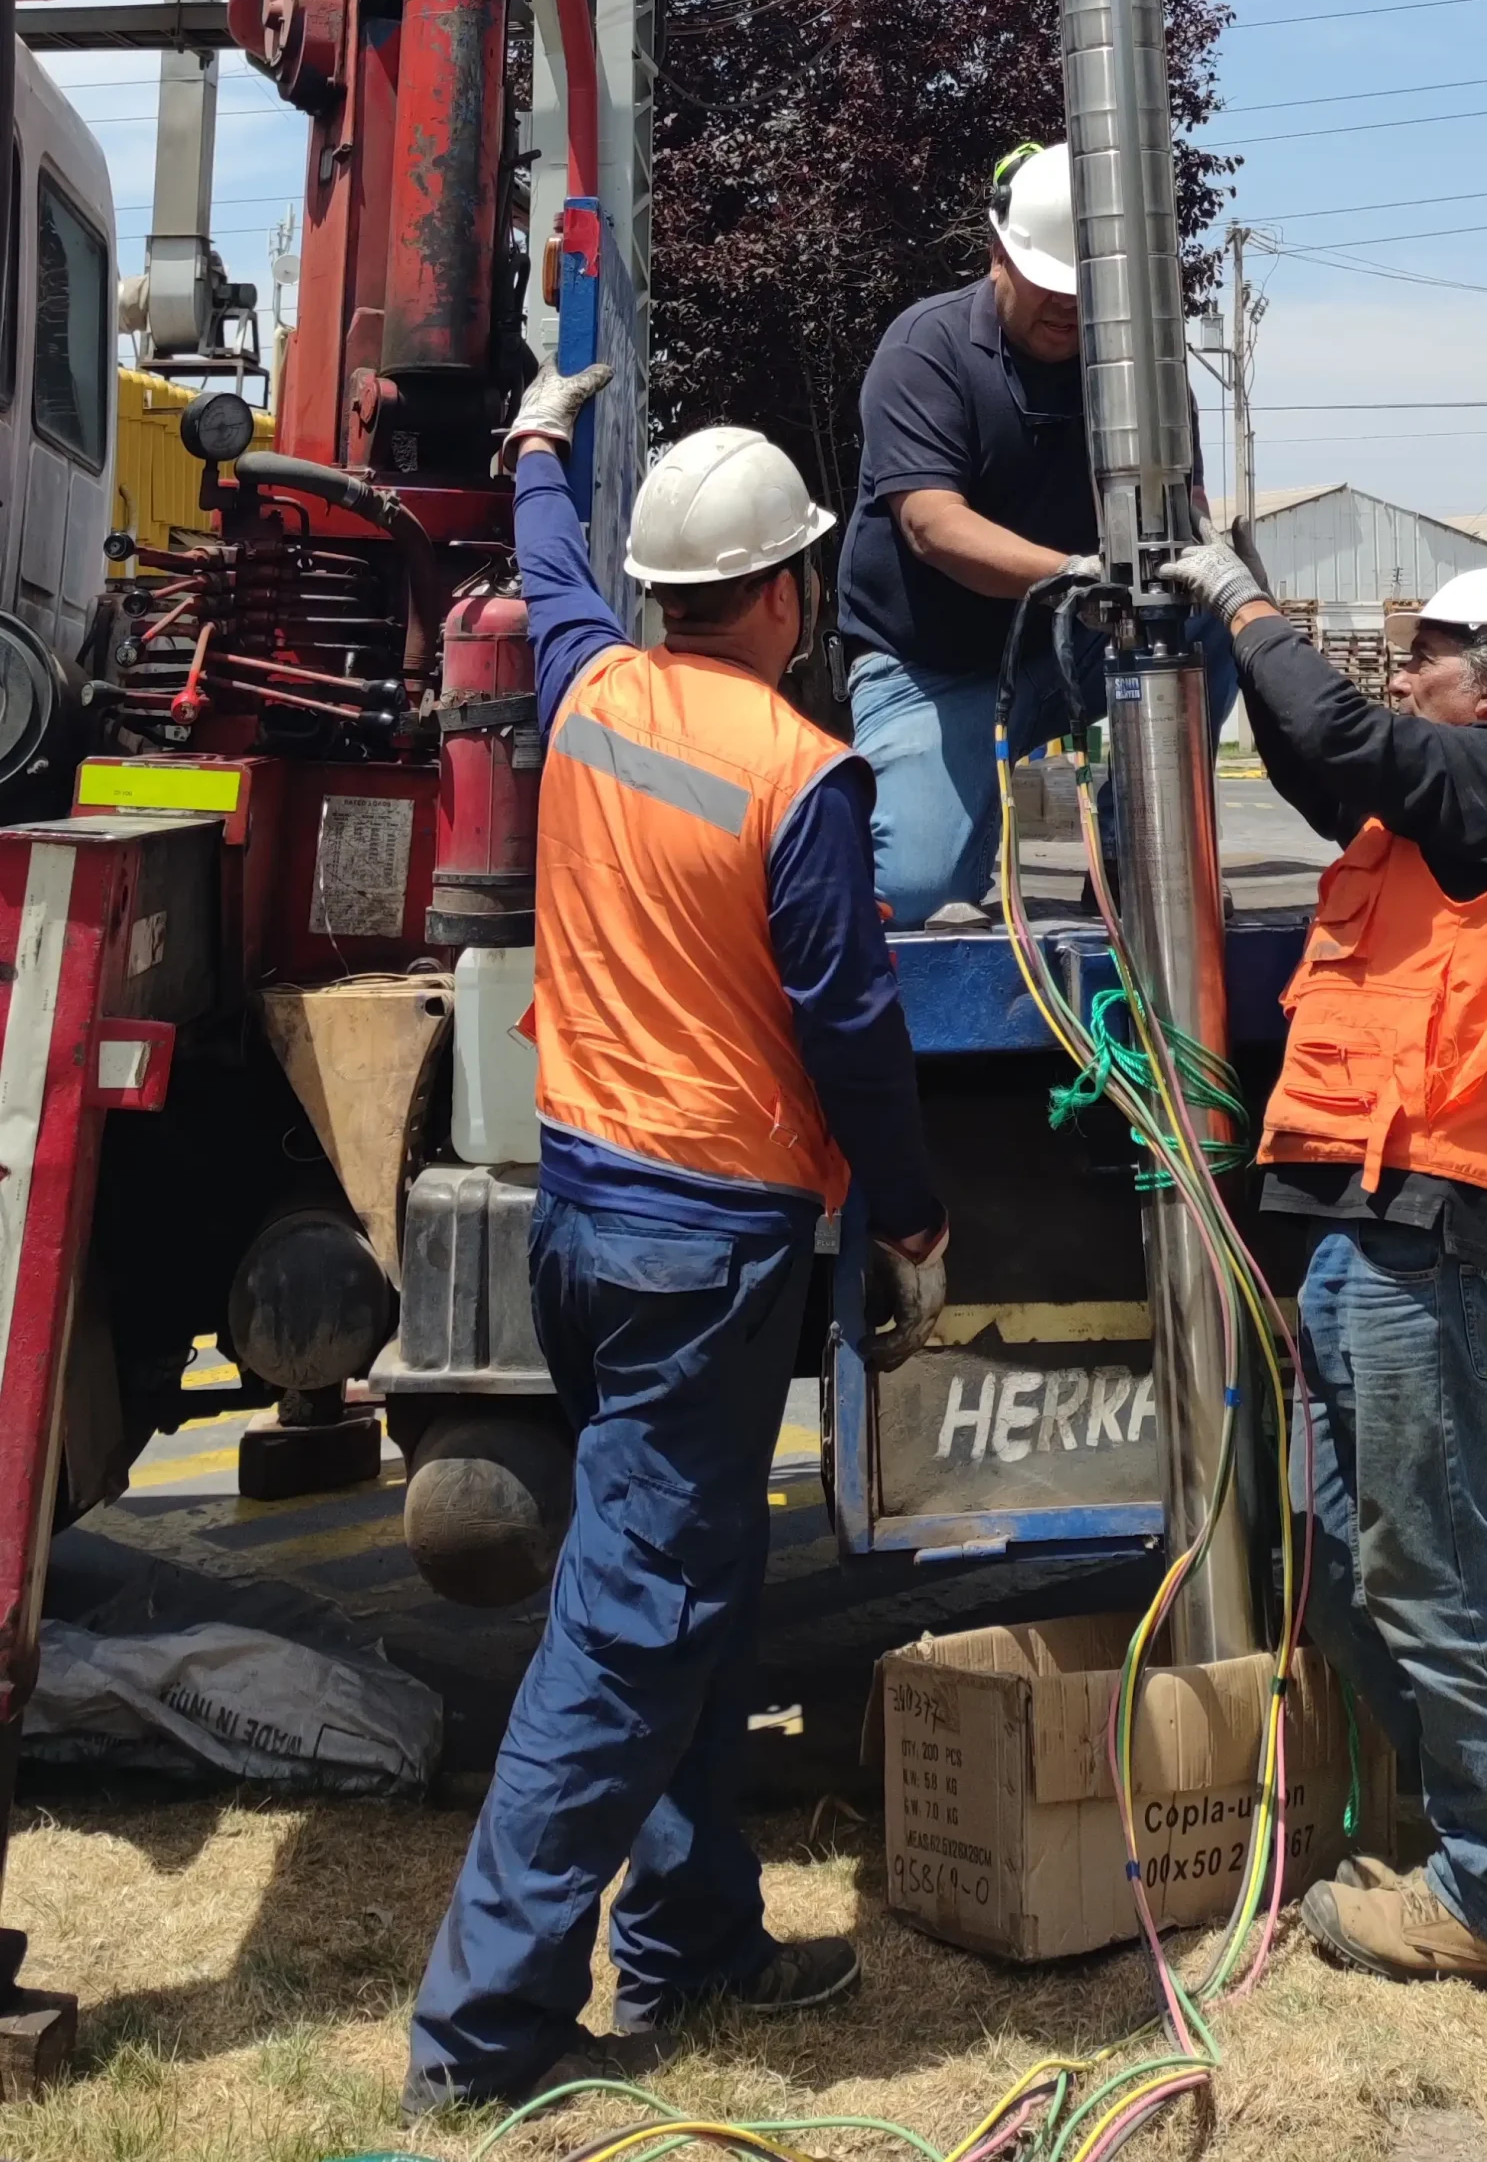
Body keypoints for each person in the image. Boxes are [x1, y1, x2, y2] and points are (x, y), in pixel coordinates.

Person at [406, 369, 948, 2116]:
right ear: (786, 597)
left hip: (580, 1215)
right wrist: (917, 1217)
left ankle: (696, 1937)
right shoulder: (799, 775)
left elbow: (542, 552)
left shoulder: (584, 691)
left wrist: (545, 435)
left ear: (664, 595)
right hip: (703, 1244)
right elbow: (854, 1029)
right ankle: (483, 2043)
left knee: (689, 1588)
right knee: (635, 1617)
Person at [1157, 540, 1487, 1991]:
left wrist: (1243, 602)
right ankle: (1469, 1847)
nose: (1403, 671)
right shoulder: (1429, 817)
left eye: (1431, 653)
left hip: (1441, 1238)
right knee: (1347, 1569)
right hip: (1375, 1231)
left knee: (1428, 1571)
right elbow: (1316, 752)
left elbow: (1341, 726)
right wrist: (1231, 651)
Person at [835, 140, 1240, 926]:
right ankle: (945, 839)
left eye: (1086, 289)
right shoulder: (929, 349)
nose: (1068, 306)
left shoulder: (1142, 374)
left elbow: (1180, 512)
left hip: (1075, 646)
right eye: (1049, 283)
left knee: (1203, 614)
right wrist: (1076, 576)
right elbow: (931, 525)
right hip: (932, 667)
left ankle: (1134, 857)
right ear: (996, 251)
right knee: (913, 896)